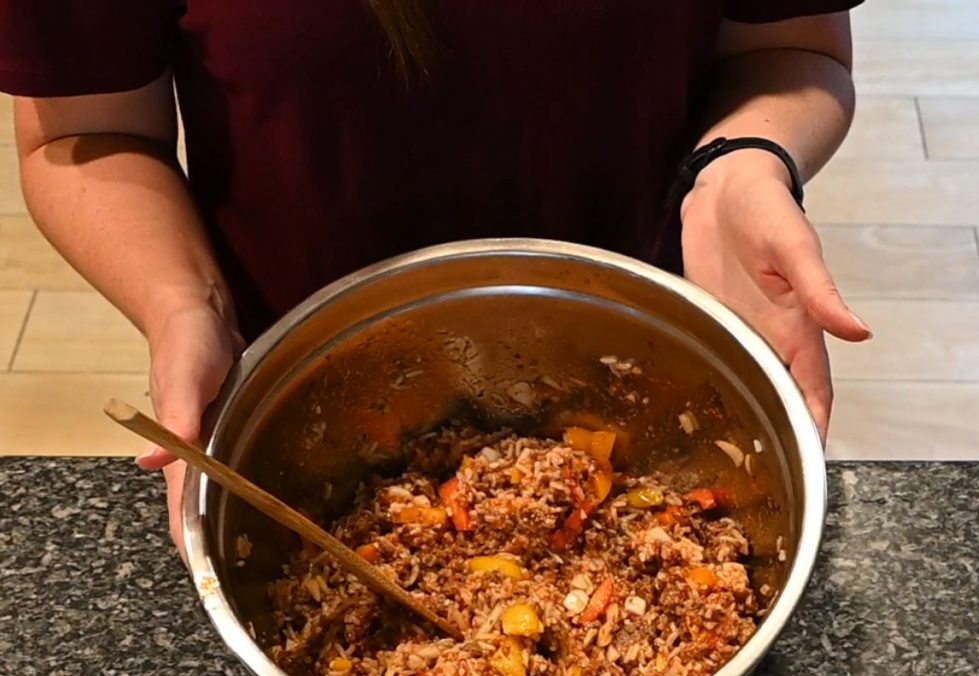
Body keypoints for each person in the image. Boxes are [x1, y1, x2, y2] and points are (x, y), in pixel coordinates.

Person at [0, 1, 871, 558]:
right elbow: (83, 131)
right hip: (306, 408)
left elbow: (793, 47)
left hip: (649, 385)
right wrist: (184, 304)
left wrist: (746, 161)